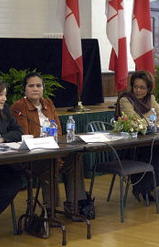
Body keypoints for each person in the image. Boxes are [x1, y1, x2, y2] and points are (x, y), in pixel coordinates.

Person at [11, 72, 92, 220]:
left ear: (43, 88)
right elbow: (25, 136)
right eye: (31, 86)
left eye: (38, 85)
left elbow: (59, 131)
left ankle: (74, 207)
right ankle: (51, 209)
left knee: (75, 159)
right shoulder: (19, 107)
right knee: (49, 163)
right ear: (25, 89)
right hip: (33, 157)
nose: (35, 89)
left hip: (54, 150)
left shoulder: (48, 103)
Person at [115, 71, 159, 201]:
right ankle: (142, 189)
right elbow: (134, 123)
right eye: (136, 87)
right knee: (150, 152)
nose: (138, 91)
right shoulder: (125, 100)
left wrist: (148, 120)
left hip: (150, 139)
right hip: (131, 144)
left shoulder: (150, 99)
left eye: (142, 88)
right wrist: (151, 118)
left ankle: (146, 187)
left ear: (149, 88)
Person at [0, 82, 23, 214]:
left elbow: (18, 132)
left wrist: (3, 138)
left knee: (15, 182)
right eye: (1, 95)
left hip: (4, 163)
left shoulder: (5, 110)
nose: (4, 98)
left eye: (5, 95)